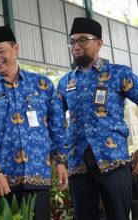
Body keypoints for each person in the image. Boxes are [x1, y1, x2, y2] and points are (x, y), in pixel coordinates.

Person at [0, 26, 69, 220]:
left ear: (16, 48)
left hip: (37, 175)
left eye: (1, 51)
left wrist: (60, 161)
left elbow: (58, 126)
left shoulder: (42, 85)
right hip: (0, 181)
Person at [57, 17, 138, 220]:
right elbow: (54, 121)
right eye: (72, 41)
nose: (76, 46)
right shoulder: (66, 82)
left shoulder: (119, 73)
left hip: (114, 163)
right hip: (78, 166)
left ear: (99, 43)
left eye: (82, 40)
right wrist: (59, 158)